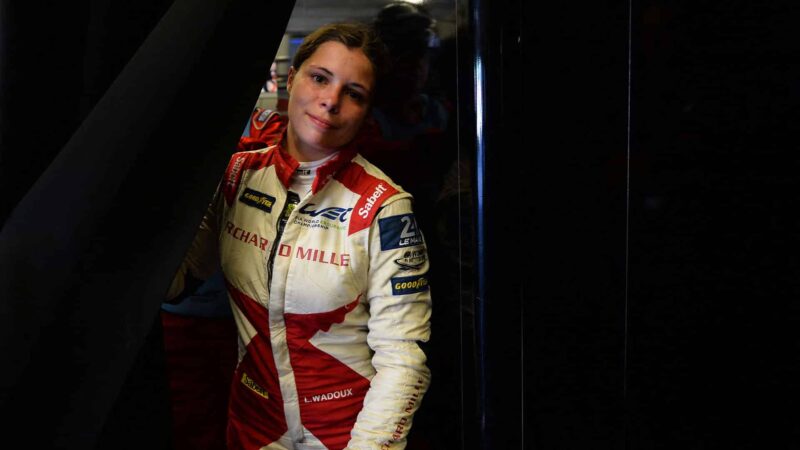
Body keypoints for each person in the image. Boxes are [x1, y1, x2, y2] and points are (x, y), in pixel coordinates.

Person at [168, 22, 432, 450]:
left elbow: (403, 360)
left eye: (354, 94)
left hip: (347, 434)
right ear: (291, 79)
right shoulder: (236, 175)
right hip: (254, 427)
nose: (330, 102)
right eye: (320, 78)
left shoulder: (385, 206)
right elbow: (177, 277)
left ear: (366, 111)